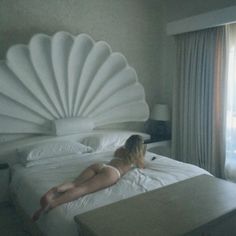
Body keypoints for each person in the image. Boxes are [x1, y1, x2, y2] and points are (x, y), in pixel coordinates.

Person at [32, 135, 146, 221]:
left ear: (127, 142)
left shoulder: (120, 150)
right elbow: (141, 166)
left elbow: (116, 156)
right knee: (83, 189)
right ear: (139, 147)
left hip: (101, 165)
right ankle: (52, 204)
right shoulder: (137, 157)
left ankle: (53, 191)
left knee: (75, 183)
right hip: (112, 173)